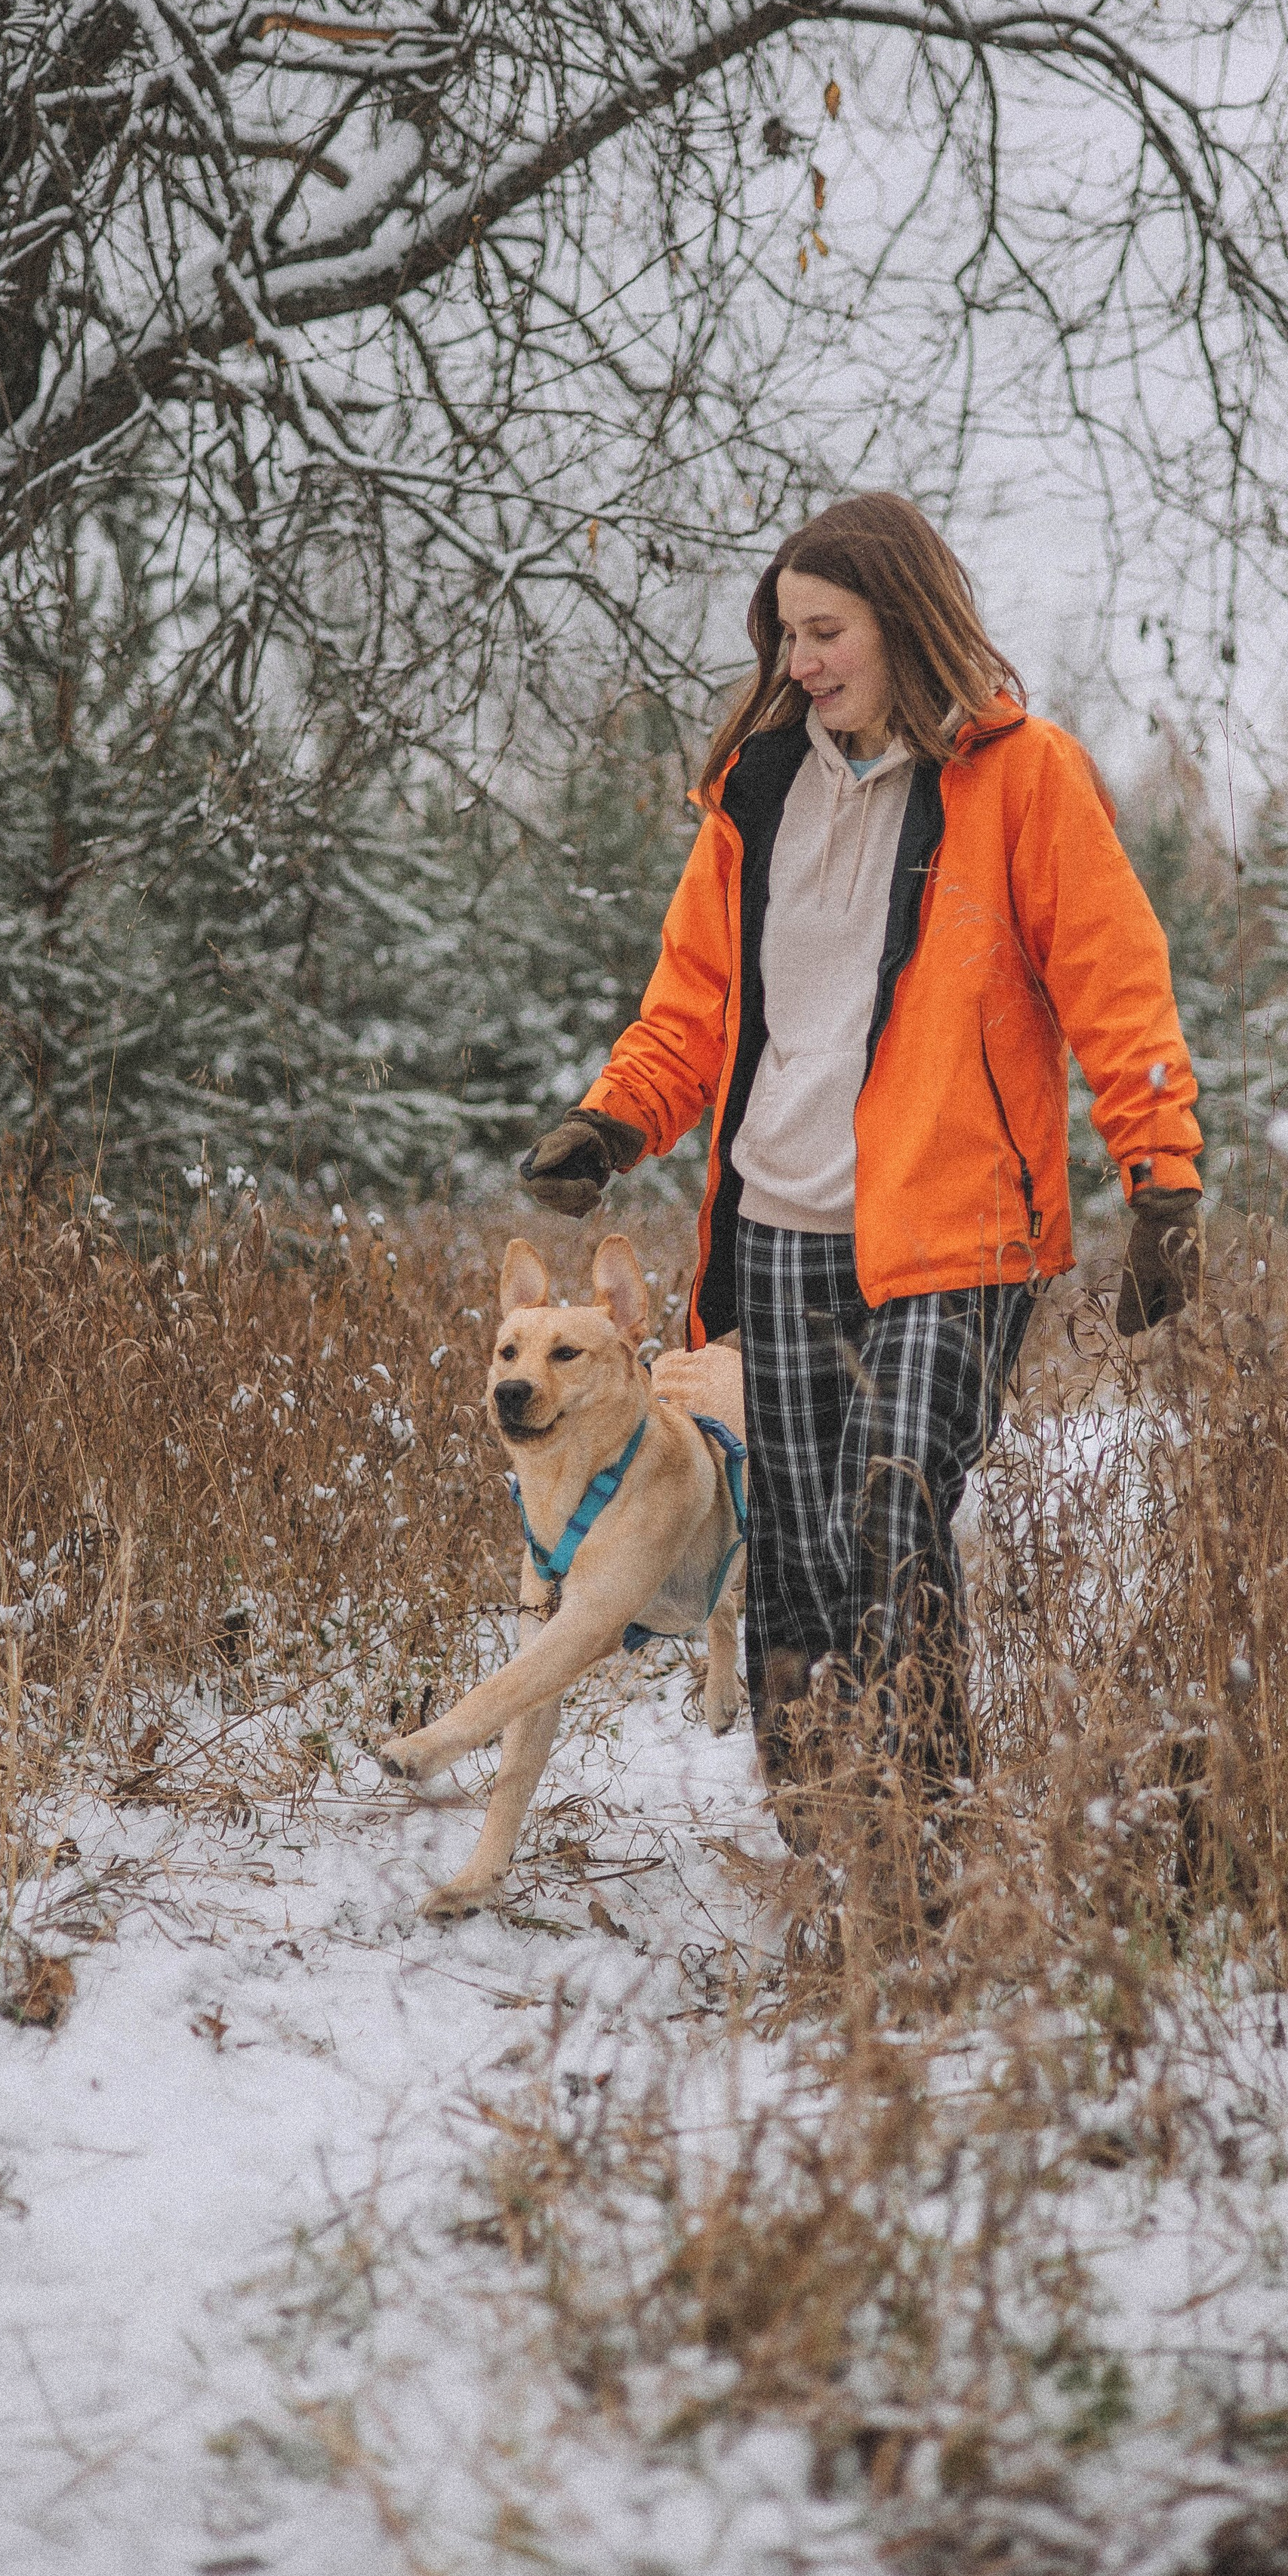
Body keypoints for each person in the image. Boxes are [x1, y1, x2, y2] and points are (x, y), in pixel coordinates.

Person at [519, 492, 1202, 1838]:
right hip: (777, 1229)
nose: (804, 663)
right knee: (801, 1549)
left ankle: (930, 1834)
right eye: (787, 639)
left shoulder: (1024, 778)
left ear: (906, 619)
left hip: (962, 1231)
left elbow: (1117, 988)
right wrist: (613, 1121)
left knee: (896, 1509)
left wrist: (1163, 1181)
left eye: (827, 632)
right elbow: (695, 1005)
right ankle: (828, 1821)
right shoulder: (761, 794)